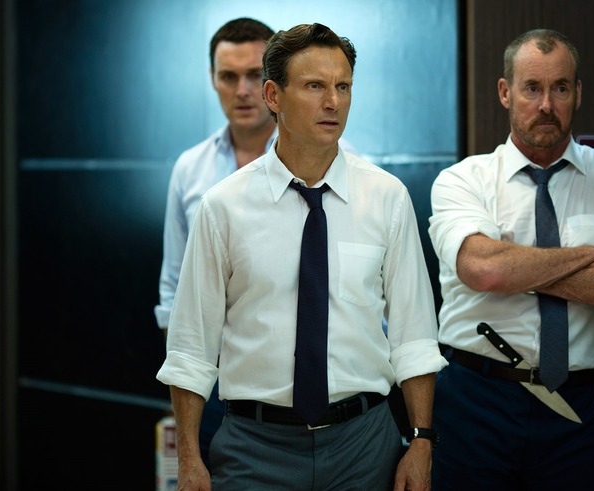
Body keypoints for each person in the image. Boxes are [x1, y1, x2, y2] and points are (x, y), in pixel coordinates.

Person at [156, 22, 446, 491]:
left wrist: (422, 440)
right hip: (255, 446)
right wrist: (188, 458)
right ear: (274, 95)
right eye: (315, 86)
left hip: (364, 442)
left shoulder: (386, 197)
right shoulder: (222, 205)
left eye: (343, 87)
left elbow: (414, 335)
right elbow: (191, 347)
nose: (333, 102)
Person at [427, 28, 594, 490]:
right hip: (476, 401)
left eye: (560, 88)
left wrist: (516, 269)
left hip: (576, 408)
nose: (546, 105)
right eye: (532, 88)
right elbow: (483, 268)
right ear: (505, 92)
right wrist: (589, 257)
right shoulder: (464, 180)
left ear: (577, 93)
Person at [154, 17, 364, 470]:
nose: (243, 91)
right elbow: (173, 290)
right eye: (229, 77)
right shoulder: (191, 170)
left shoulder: (345, 167)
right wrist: (190, 387)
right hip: (218, 388)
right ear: (212, 79)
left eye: (253, 76)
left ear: (274, 85)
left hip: (330, 392)